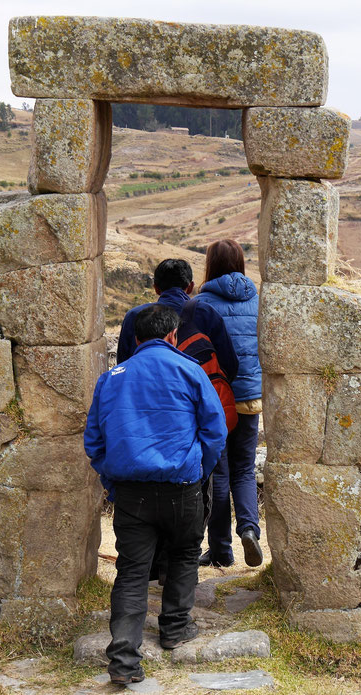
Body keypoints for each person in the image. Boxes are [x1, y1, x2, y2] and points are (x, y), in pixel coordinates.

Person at [84, 304, 228, 685]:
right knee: (184, 553)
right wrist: (200, 471)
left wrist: (113, 481)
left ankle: (124, 658)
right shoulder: (191, 371)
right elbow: (215, 432)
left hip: (132, 493)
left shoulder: (112, 378)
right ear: (172, 336)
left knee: (131, 571)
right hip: (182, 486)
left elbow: (94, 441)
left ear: (135, 339)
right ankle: (175, 628)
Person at [192, 239, 264, 568]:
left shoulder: (201, 303)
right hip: (249, 399)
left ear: (210, 264)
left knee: (217, 475)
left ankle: (221, 549)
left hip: (215, 402)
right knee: (244, 471)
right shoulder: (258, 299)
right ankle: (249, 528)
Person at [117, 259, 238, 383]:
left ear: (156, 288)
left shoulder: (134, 316)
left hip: (145, 396)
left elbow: (122, 365)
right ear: (190, 287)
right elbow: (229, 364)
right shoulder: (207, 314)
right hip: (196, 397)